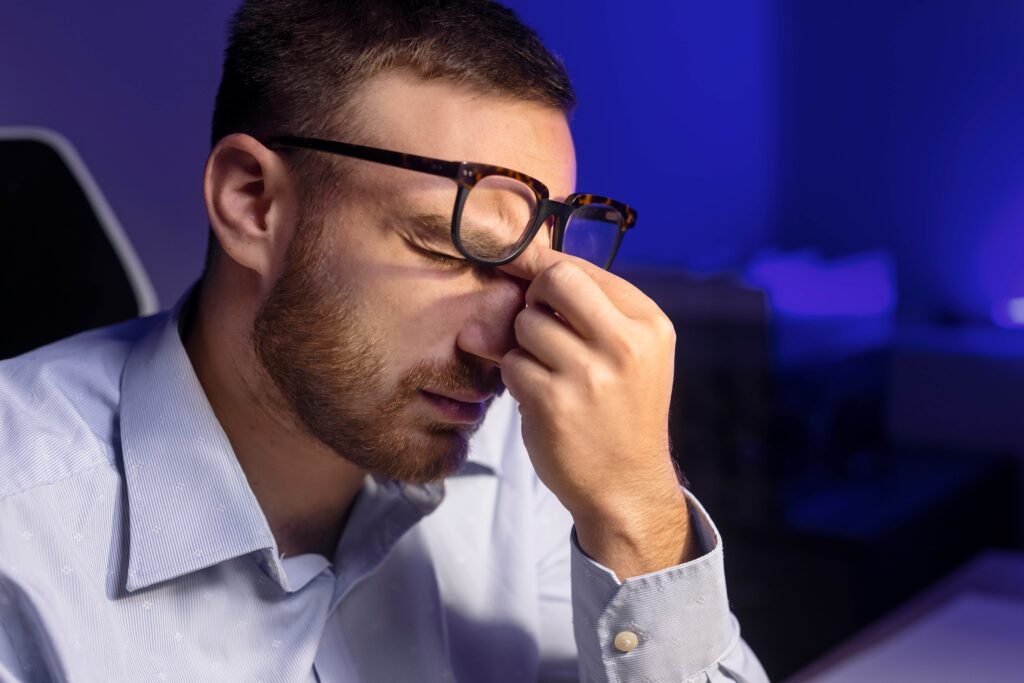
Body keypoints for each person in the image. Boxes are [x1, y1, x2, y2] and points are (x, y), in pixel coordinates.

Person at [0, 1, 769, 681]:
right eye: (451, 249)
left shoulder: (530, 452)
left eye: (535, 266)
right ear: (252, 203)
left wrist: (639, 515)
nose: (505, 345)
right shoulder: (20, 535)